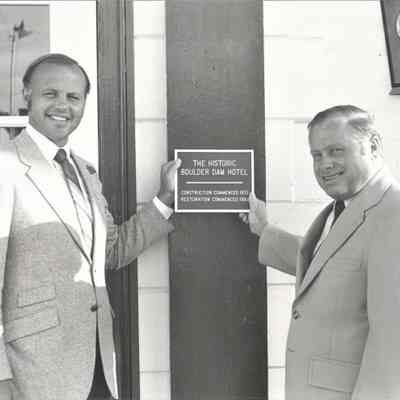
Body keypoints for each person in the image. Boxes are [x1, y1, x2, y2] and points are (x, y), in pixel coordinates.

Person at [0, 53, 181, 400]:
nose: (62, 106)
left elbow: (110, 252)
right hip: (31, 372)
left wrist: (164, 199)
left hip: (97, 365)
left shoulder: (85, 172)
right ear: (27, 96)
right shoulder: (6, 168)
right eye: (50, 94)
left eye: (73, 97)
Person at [243, 105, 400, 399]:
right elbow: (329, 263)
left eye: (336, 151)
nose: (325, 164)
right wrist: (264, 230)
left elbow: (394, 346)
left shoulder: (393, 215)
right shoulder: (349, 206)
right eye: (317, 155)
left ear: (373, 145)